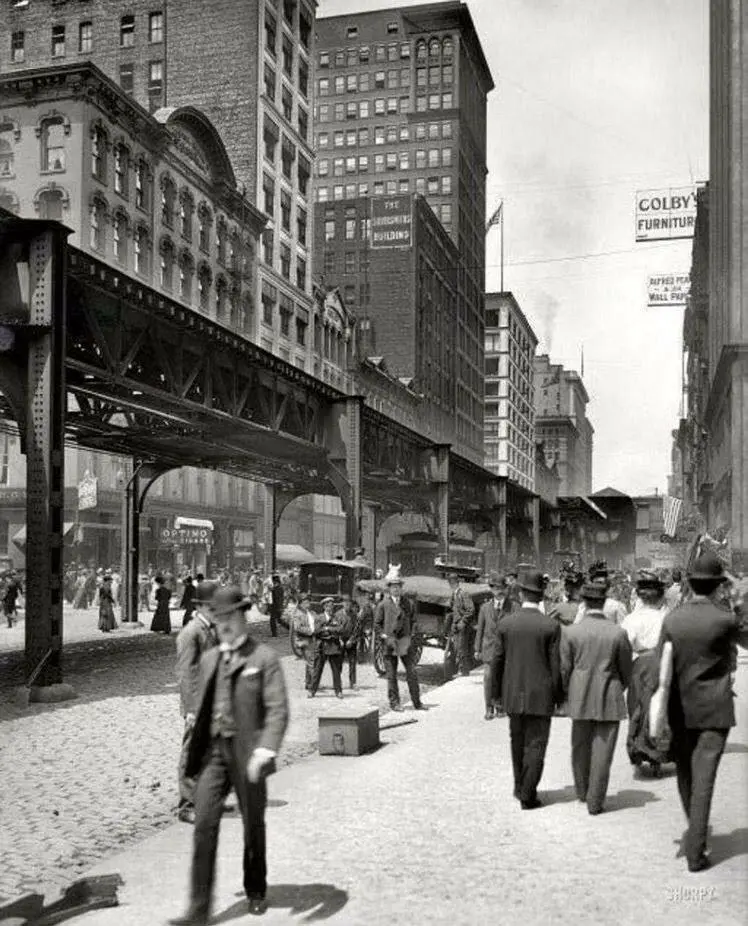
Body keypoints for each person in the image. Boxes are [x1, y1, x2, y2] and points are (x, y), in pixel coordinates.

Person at [169, 586, 289, 925]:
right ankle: (198, 909)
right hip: (214, 755)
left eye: (230, 617)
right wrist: (195, 752)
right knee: (204, 824)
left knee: (253, 825)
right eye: (219, 617)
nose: (224, 624)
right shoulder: (208, 660)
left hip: (249, 753)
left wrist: (265, 750)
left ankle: (256, 890)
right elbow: (201, 704)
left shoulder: (263, 659)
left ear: (243, 617)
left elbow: (278, 710)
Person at [657, 552, 748, 873]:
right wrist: (738, 597)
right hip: (715, 710)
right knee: (705, 779)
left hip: (679, 711)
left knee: (685, 774)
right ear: (716, 585)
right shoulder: (725, 619)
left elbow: (661, 671)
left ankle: (695, 831)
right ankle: (697, 850)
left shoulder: (672, 619)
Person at [561, 580, 633, 815]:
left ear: (584, 601)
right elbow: (626, 671)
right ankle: (596, 800)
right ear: (604, 602)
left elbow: (565, 669)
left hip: (579, 694)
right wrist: (615, 686)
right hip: (609, 694)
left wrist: (568, 692)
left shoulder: (571, 632)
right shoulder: (618, 633)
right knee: (603, 751)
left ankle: (582, 791)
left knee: (579, 746)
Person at [495, 567, 561, 809]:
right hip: (541, 696)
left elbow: (497, 662)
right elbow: (556, 667)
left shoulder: (505, 623)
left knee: (517, 741)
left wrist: (495, 695)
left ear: (521, 595)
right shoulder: (550, 626)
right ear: (541, 596)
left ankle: (519, 786)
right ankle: (528, 793)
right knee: (536, 745)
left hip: (512, 693)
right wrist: (559, 696)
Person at [175, 581, 219, 824]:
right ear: (201, 606)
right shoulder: (190, 633)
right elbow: (185, 674)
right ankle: (186, 805)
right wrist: (191, 709)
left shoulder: (210, 630)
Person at [622, 570, 671, 773]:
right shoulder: (666, 618)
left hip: (640, 664)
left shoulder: (631, 619)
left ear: (640, 597)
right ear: (660, 597)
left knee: (638, 707)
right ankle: (659, 752)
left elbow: (625, 645)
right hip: (663, 663)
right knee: (661, 708)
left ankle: (639, 749)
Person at [374, 568, 425, 713]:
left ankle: (417, 702)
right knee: (391, 676)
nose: (396, 589)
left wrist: (411, 636)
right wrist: (384, 636)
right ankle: (395, 703)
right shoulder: (383, 605)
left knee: (412, 672)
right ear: (389, 589)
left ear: (401, 588)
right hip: (389, 644)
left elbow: (414, 621)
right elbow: (377, 625)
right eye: (393, 587)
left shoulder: (408, 604)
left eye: (398, 587)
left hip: (405, 643)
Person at [474, 572, 508, 720]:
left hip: (506, 650)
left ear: (505, 589)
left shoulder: (513, 607)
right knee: (488, 678)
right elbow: (480, 629)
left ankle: (500, 707)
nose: (498, 591)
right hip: (489, 648)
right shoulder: (484, 608)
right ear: (491, 590)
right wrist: (477, 649)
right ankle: (489, 708)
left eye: (501, 588)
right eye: (495, 588)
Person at [308, 598, 345, 699]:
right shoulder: (319, 618)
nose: (330, 608)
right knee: (317, 670)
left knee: (336, 671)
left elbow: (341, 629)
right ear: (324, 607)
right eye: (328, 606)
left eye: (332, 606)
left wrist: (328, 629)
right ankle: (312, 691)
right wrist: (330, 632)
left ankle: (338, 691)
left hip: (334, 646)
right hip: (322, 646)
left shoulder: (336, 617)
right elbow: (316, 631)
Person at [446, 571, 476, 676]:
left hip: (463, 625)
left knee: (462, 649)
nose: (451, 584)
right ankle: (461, 670)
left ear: (456, 583)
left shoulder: (463, 594)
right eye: (450, 582)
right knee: (457, 648)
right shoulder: (454, 594)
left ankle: (464, 672)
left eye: (452, 582)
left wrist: (463, 622)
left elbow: (471, 610)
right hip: (456, 624)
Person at [292, 595, 319, 692]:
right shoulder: (297, 614)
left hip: (312, 639)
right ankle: (313, 685)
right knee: (312, 662)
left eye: (308, 602)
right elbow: (297, 628)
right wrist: (310, 631)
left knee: (310, 662)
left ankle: (308, 683)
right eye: (305, 603)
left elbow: (318, 621)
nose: (308, 604)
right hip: (304, 640)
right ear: (300, 604)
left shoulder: (311, 613)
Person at [337, 593, 365, 690]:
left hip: (351, 641)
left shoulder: (354, 615)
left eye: (349, 603)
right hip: (340, 641)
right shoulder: (338, 614)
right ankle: (337, 682)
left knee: (352, 663)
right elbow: (335, 628)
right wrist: (339, 639)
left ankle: (353, 683)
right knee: (338, 662)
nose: (347, 605)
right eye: (345, 603)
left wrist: (351, 640)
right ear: (342, 604)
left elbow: (357, 629)